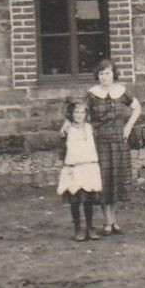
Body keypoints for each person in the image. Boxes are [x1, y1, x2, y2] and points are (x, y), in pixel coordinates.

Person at [87, 59, 142, 234]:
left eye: (108, 73)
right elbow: (79, 112)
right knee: (104, 180)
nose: (105, 77)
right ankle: (107, 221)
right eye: (102, 74)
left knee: (117, 178)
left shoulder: (121, 92)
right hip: (100, 141)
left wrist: (128, 126)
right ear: (98, 76)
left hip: (119, 140)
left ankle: (114, 220)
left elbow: (137, 107)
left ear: (113, 74)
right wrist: (67, 124)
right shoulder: (92, 94)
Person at [57, 100, 103, 241]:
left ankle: (90, 227)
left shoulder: (90, 128)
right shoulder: (67, 129)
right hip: (74, 168)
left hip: (88, 167)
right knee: (75, 199)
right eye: (76, 112)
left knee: (88, 199)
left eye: (82, 112)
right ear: (71, 114)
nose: (79, 115)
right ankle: (78, 228)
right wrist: (65, 165)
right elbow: (62, 150)